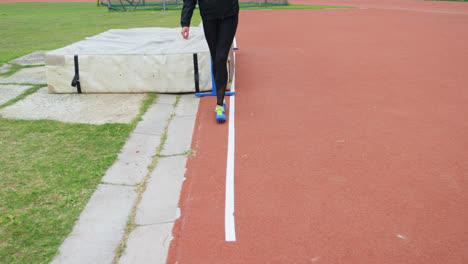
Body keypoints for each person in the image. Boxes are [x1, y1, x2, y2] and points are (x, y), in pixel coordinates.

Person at [181, 0, 239, 123]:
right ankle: (221, 99)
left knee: (221, 57)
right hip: (209, 17)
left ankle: (219, 105)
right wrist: (185, 22)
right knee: (216, 57)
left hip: (229, 15)